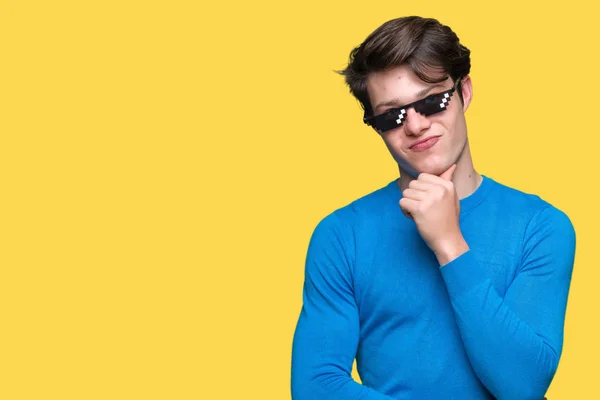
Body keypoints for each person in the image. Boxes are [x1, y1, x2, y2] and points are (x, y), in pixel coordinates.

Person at [290, 16, 576, 400]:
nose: (415, 125)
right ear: (376, 126)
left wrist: (449, 244)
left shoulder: (541, 227)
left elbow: (524, 386)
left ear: (465, 92)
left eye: (431, 101)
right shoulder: (342, 235)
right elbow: (315, 385)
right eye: (392, 115)